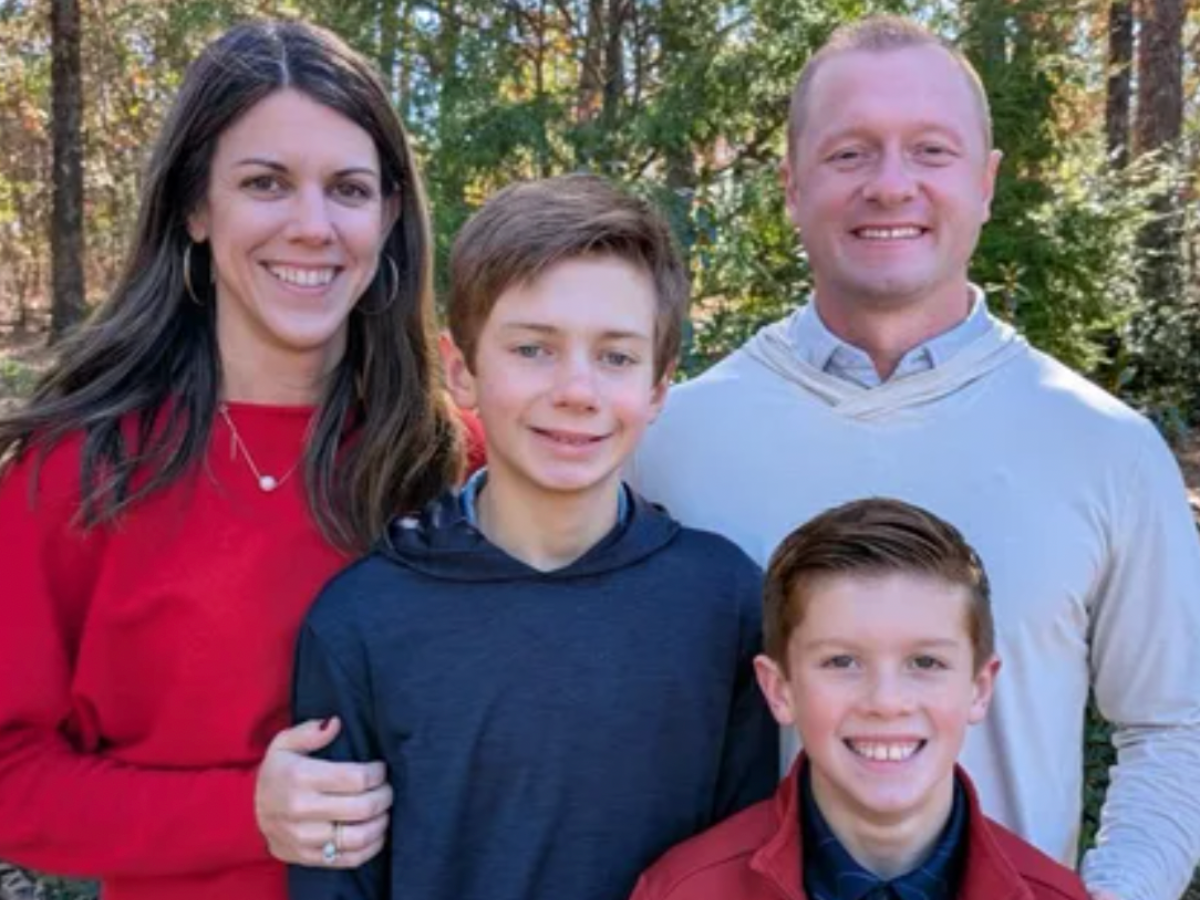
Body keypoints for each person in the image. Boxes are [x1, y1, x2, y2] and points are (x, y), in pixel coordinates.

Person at [628, 15, 1200, 900]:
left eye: (931, 151)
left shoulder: (1106, 448)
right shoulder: (666, 444)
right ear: (791, 185)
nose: (891, 185)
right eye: (849, 153)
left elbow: (1176, 730)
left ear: (986, 182)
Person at [0, 20, 481, 900]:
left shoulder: (455, 459)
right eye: (265, 183)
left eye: (348, 189)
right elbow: (11, 778)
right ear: (195, 208)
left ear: (388, 217)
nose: (312, 226)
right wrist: (245, 814)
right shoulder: (78, 472)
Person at [287, 174, 779, 900]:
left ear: (657, 390)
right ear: (463, 371)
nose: (577, 390)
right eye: (533, 349)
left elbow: (746, 867)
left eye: (616, 357)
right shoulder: (364, 619)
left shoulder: (724, 602)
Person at [629, 498, 1090, 900]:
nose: (886, 702)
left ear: (979, 688)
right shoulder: (684, 891)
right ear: (779, 689)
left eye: (925, 662)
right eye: (842, 662)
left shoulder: (1055, 895)